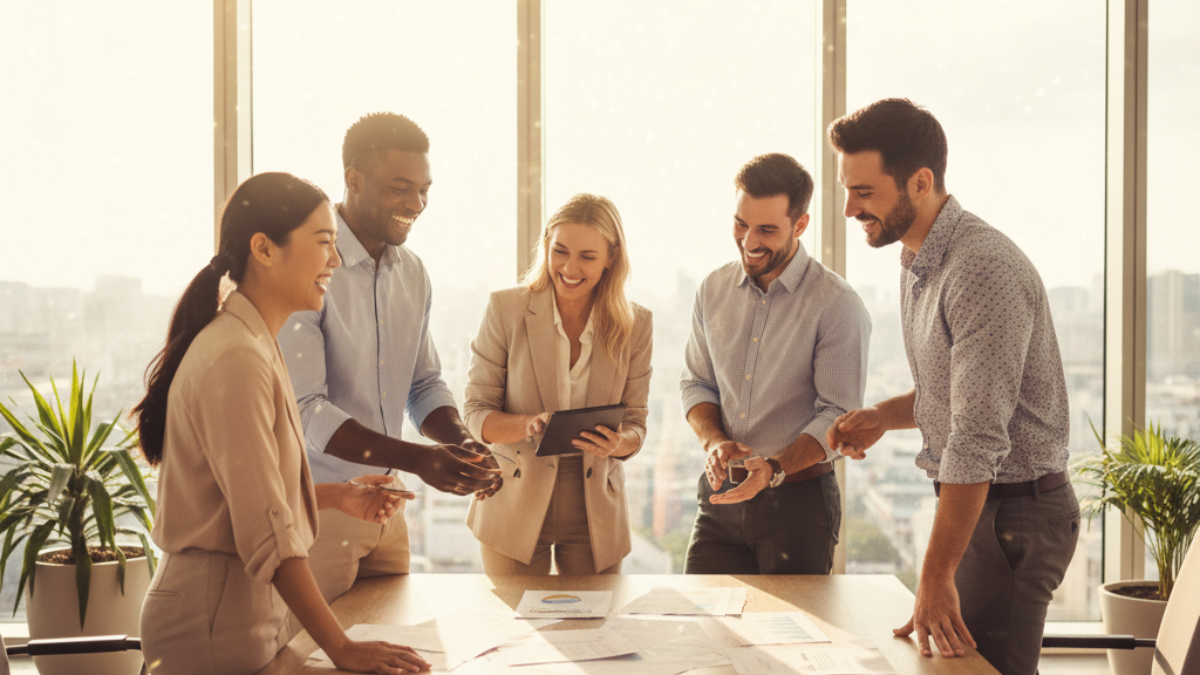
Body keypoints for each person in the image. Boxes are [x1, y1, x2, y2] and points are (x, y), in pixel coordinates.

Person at [134, 172, 430, 674]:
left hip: (239, 620)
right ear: (264, 249)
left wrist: (339, 495)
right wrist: (343, 648)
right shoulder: (236, 357)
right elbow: (267, 533)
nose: (335, 261)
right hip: (211, 628)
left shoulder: (253, 343)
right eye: (323, 243)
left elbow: (245, 497)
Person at [826, 98, 1080, 675]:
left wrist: (935, 576)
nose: (848, 208)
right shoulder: (919, 258)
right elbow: (954, 391)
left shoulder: (980, 268)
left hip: (1016, 515)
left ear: (920, 182)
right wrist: (882, 417)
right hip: (982, 507)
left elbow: (976, 434)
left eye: (864, 191)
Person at [278, 113, 500, 603]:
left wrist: (461, 445)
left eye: (424, 190)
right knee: (312, 658)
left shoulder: (414, 273)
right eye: (400, 188)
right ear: (353, 180)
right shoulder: (310, 267)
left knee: (397, 646)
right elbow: (306, 411)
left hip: (387, 507)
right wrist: (421, 460)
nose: (416, 204)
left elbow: (423, 385)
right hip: (319, 510)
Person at [680, 153, 871, 575]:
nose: (749, 241)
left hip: (799, 507)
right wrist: (713, 441)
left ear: (800, 225)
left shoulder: (837, 305)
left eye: (767, 229)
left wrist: (774, 469)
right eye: (740, 224)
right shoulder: (712, 290)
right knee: (702, 631)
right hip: (720, 500)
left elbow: (838, 414)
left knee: (793, 637)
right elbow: (697, 385)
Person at [462, 193, 652, 575]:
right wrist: (526, 424)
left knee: (591, 632)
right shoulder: (506, 309)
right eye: (560, 250)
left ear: (611, 257)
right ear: (546, 245)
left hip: (594, 506)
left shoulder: (635, 325)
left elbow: (636, 422)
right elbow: (474, 412)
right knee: (514, 631)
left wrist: (619, 444)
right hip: (514, 498)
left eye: (587, 256)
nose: (569, 267)